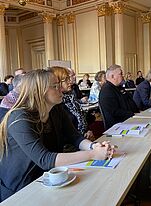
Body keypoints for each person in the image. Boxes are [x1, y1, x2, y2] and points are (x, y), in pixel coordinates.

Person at [0, 69, 114, 202]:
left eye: (59, 84)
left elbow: (75, 137)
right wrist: (94, 155)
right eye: (54, 86)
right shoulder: (19, 118)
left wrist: (94, 146)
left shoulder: (56, 109)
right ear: (38, 91)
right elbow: (45, 159)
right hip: (20, 188)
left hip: (49, 179)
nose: (60, 88)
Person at [49, 66, 95, 141]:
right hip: (71, 145)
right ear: (57, 83)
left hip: (82, 139)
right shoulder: (56, 104)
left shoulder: (71, 97)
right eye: (66, 79)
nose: (70, 81)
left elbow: (81, 117)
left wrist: (87, 131)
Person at [99, 64, 139, 129]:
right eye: (121, 74)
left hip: (130, 119)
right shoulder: (107, 90)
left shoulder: (118, 87)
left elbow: (130, 101)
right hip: (118, 126)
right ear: (112, 76)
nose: (123, 76)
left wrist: (137, 112)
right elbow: (115, 112)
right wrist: (133, 114)